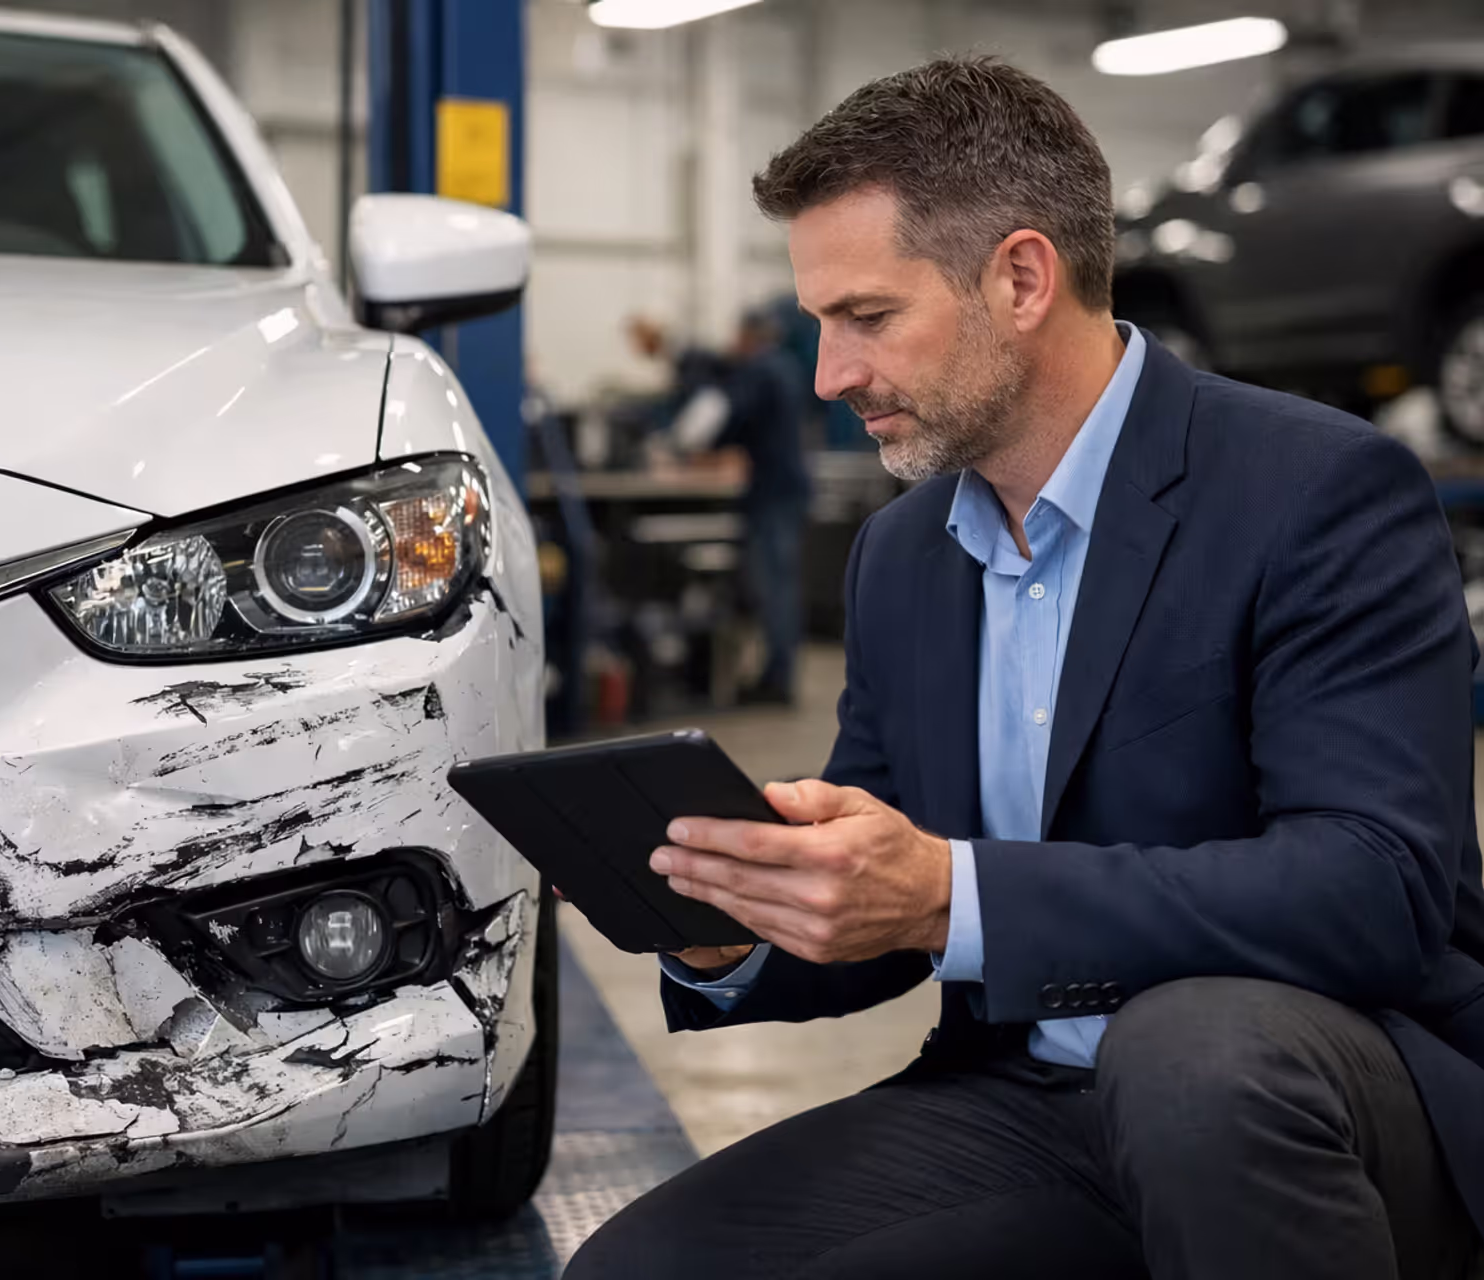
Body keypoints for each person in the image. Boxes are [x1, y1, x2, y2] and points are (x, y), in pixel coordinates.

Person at [565, 56, 1484, 1280]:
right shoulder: (902, 555)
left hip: (1324, 1093)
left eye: (868, 318)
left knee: (1193, 1053)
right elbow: (888, 887)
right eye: (818, 326)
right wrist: (753, 923)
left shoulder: (1317, 492)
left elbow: (1377, 891)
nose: (831, 375)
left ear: (1021, 277)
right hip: (1036, 1100)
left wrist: (957, 894)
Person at [668, 309, 815, 704]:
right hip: (786, 488)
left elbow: (730, 412)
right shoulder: (785, 367)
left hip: (772, 492)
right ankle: (777, 673)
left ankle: (777, 681)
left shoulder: (761, 369)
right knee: (780, 585)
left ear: (749, 336)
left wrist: (690, 445)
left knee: (774, 587)